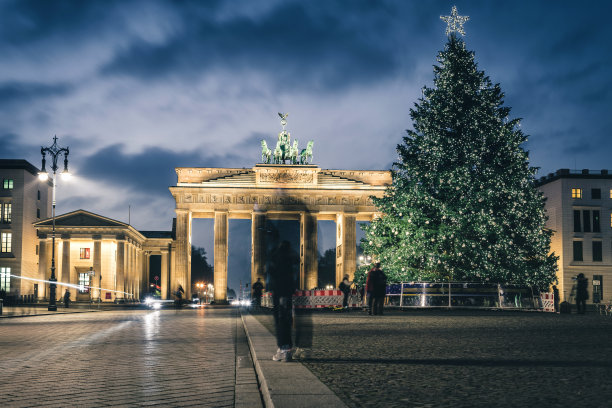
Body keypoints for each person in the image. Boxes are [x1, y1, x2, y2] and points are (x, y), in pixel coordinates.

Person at [267, 240, 298, 362]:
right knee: (287, 320)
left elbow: (274, 275)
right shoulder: (290, 261)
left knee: (280, 321)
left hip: (280, 293)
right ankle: (288, 349)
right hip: (287, 293)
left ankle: (283, 350)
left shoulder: (279, 260)